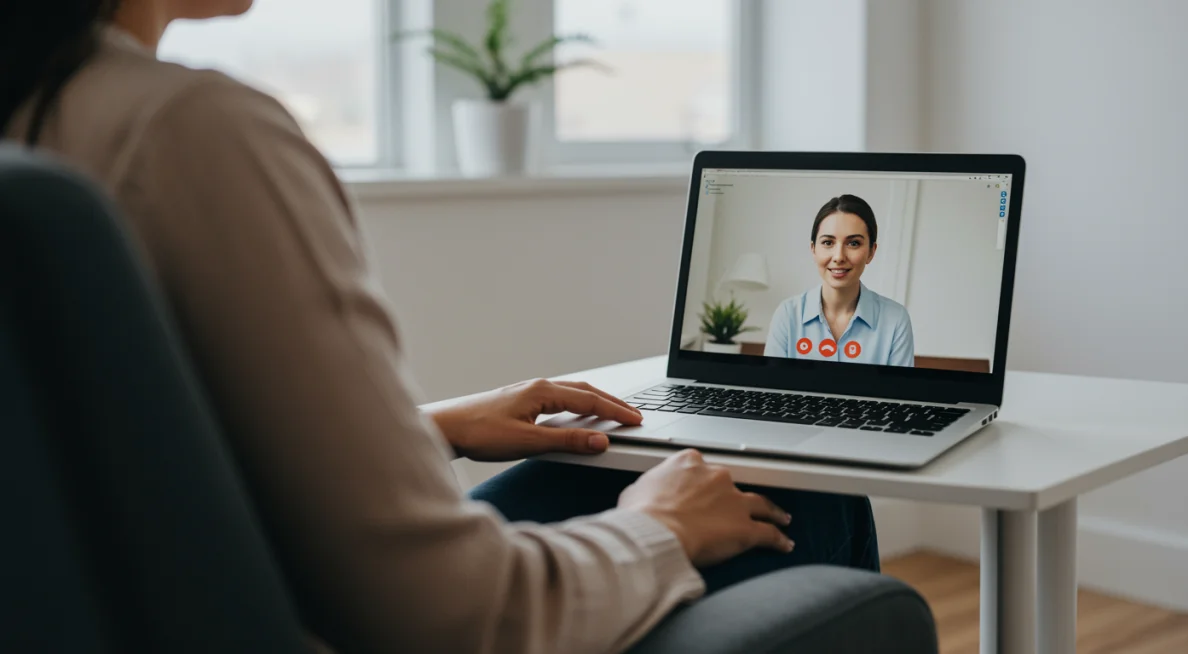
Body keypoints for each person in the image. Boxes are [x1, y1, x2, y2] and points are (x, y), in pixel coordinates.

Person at [1, 2, 879, 652]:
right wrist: (662, 529)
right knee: (812, 493)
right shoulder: (186, 131)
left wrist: (430, 431)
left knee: (606, 475)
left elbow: (116, 479)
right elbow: (455, 618)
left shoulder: (40, 126)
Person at [765, 194, 915, 366]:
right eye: (828, 242)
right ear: (813, 249)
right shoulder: (787, 315)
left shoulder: (895, 320)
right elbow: (773, 386)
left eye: (853, 243)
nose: (838, 257)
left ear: (871, 252)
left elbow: (897, 392)